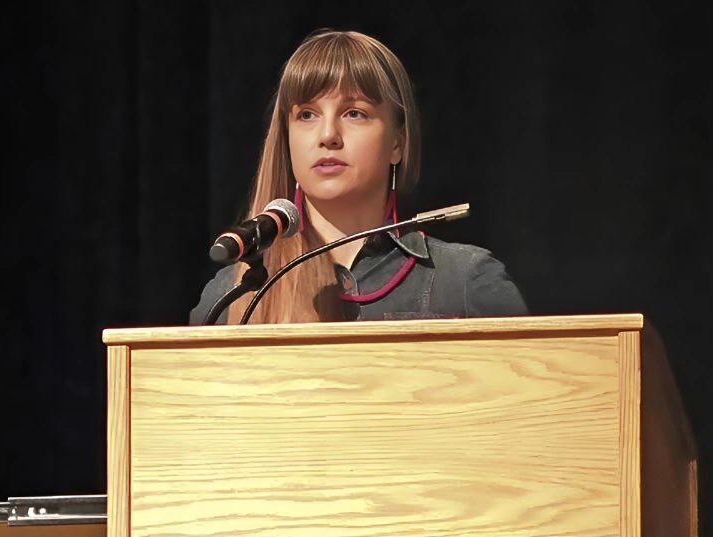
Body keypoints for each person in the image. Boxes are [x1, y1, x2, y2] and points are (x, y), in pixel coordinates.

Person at [190, 30, 527, 325]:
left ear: (397, 142)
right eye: (307, 115)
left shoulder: (466, 282)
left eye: (354, 113)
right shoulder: (230, 296)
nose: (328, 135)